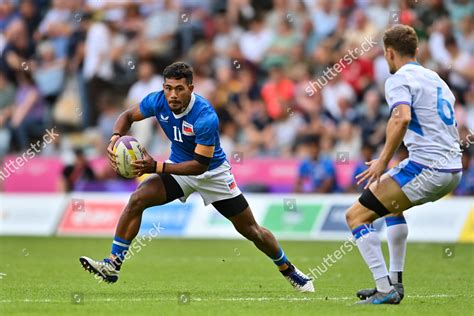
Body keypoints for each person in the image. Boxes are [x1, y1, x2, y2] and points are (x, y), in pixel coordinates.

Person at [79, 62, 314, 292]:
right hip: (178, 167)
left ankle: (288, 269)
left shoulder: (205, 117)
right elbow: (127, 115)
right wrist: (114, 138)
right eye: (168, 88)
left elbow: (200, 166)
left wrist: (156, 166)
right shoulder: (157, 100)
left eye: (179, 89)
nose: (172, 94)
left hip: (213, 174)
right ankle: (113, 264)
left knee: (251, 230)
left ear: (191, 88)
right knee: (138, 199)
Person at [345, 25, 462, 305]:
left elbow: (401, 118)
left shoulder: (399, 79)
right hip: (452, 168)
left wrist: (383, 162)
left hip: (427, 168)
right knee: (391, 208)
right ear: (417, 51)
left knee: (356, 216)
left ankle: (384, 289)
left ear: (389, 53)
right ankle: (393, 283)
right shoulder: (436, 78)